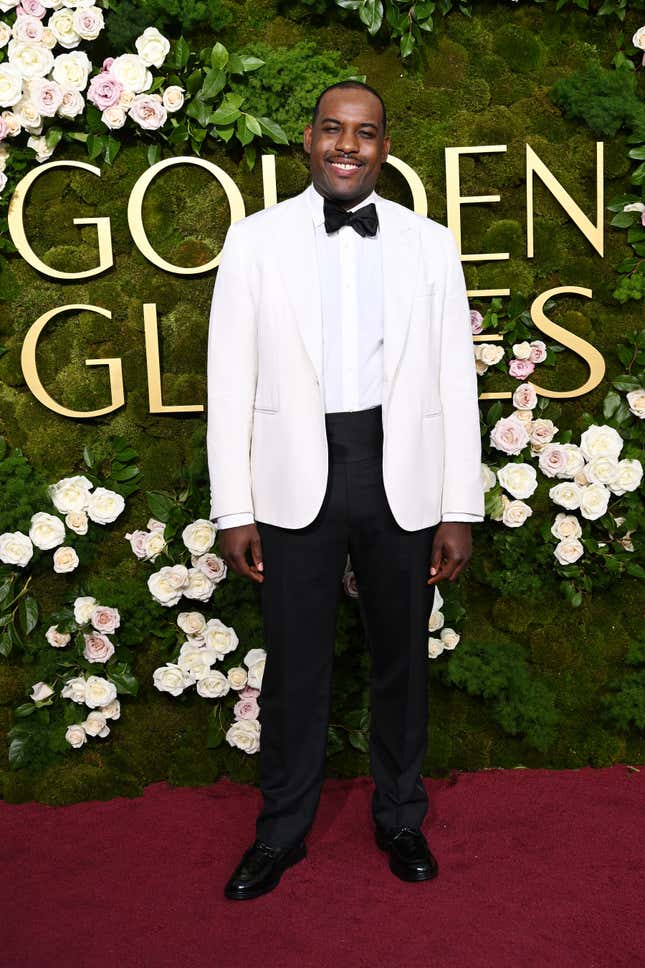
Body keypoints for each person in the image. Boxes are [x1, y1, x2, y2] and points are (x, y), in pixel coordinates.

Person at [206, 80, 484, 901]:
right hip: (292, 476)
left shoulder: (429, 244)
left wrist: (457, 507)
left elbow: (452, 383)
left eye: (364, 134)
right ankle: (281, 834)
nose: (346, 146)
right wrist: (235, 507)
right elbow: (228, 381)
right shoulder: (254, 241)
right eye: (333, 129)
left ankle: (401, 817)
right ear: (308, 138)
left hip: (396, 469)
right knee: (295, 665)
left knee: (402, 662)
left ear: (384, 147)